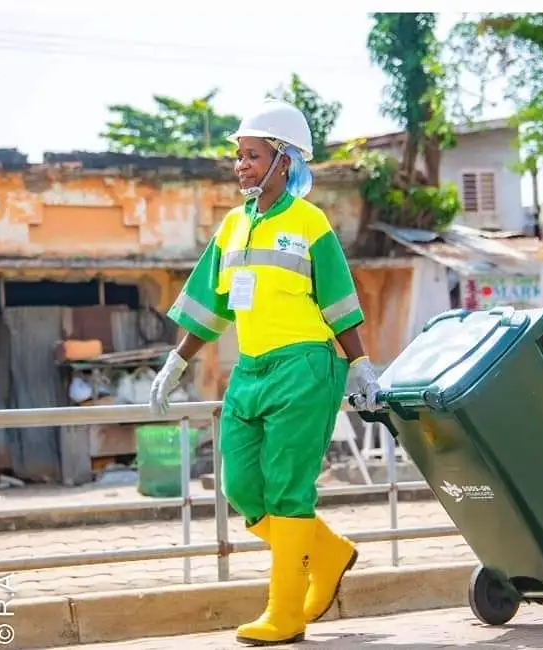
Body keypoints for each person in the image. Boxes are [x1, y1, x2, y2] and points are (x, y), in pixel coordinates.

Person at [148, 98, 382, 645]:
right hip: (250, 370)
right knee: (244, 489)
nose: (241, 166)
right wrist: (176, 361)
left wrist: (362, 367)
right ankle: (325, 554)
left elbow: (340, 304)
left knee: (287, 491)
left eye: (252, 155)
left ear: (284, 161)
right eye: (239, 156)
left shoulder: (310, 223)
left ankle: (286, 612)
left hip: (306, 365)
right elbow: (210, 305)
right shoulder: (232, 227)